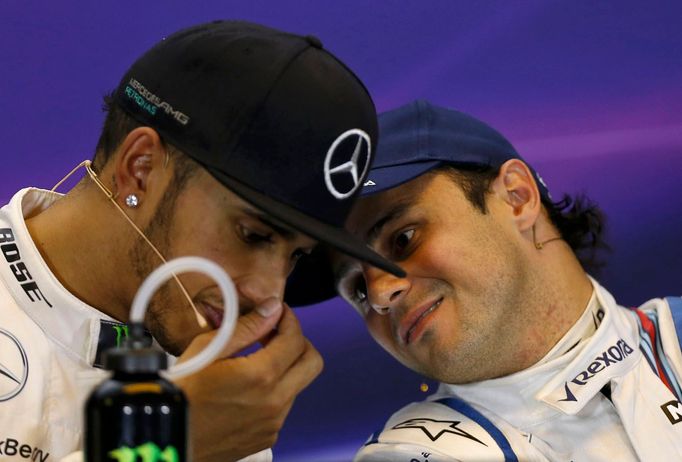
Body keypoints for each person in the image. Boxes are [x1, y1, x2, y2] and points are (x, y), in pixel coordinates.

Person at [0, 20, 405, 462]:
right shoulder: (198, 427)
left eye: (297, 256)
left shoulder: (220, 406)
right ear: (141, 168)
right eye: (253, 234)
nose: (268, 292)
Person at [329, 100, 682, 461]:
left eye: (403, 239)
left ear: (517, 197)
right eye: (358, 288)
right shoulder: (414, 453)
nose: (379, 294)